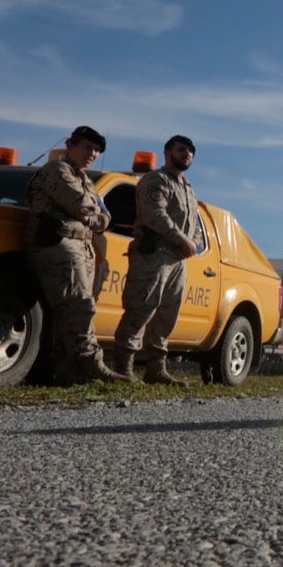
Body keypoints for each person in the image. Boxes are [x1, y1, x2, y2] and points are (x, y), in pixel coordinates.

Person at [24, 126, 129, 385]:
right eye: (87, 147)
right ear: (70, 145)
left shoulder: (86, 180)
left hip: (83, 245)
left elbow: (105, 217)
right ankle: (92, 363)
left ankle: (67, 370)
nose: (92, 154)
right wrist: (92, 213)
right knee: (79, 304)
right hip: (58, 241)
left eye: (96, 150)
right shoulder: (55, 171)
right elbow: (80, 204)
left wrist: (92, 214)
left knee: (70, 312)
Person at [114, 135, 203, 385]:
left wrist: (192, 242)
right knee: (141, 308)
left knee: (167, 314)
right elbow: (154, 214)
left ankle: (156, 369)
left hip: (176, 260)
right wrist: (180, 238)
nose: (187, 154)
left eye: (191, 152)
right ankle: (124, 368)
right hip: (153, 254)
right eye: (182, 149)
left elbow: (194, 223)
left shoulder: (188, 188)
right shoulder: (155, 180)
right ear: (168, 152)